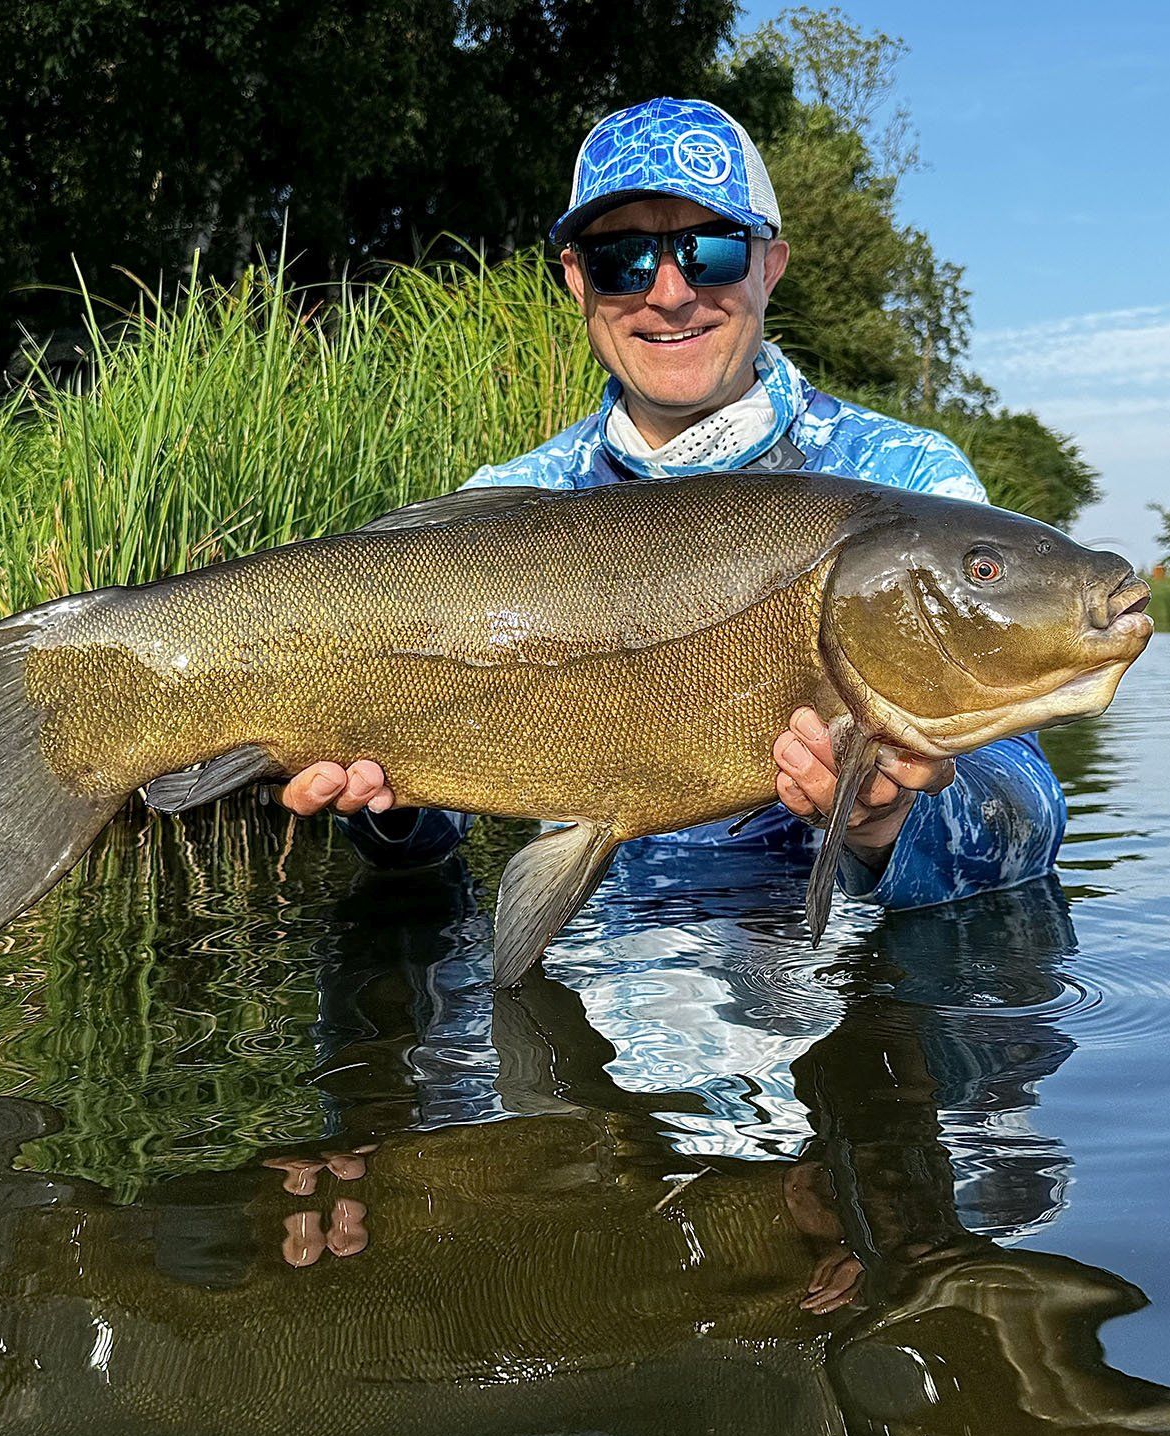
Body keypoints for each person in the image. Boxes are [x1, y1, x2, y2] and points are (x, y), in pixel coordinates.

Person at [279, 95, 1066, 913]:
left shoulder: (904, 481)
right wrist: (385, 814)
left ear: (770, 265)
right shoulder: (506, 506)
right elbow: (426, 842)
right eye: (622, 259)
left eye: (710, 250)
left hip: (830, 991)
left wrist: (885, 823)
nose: (667, 292)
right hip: (585, 969)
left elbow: (1028, 818)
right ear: (577, 280)